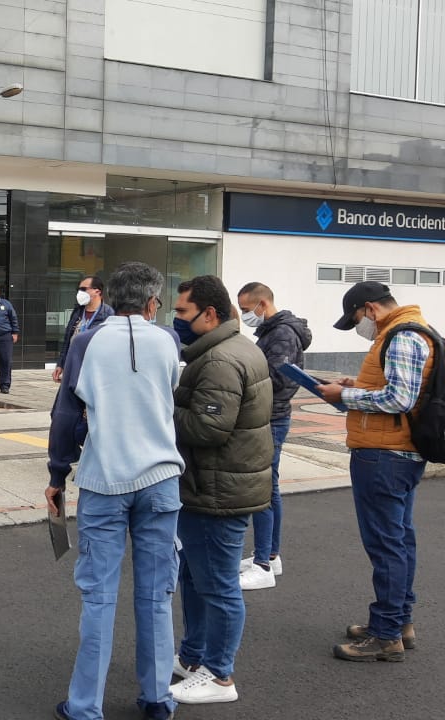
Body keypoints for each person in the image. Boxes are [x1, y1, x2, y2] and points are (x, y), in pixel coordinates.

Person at [44, 262, 184, 720]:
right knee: (157, 594)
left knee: (99, 597)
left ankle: (85, 705)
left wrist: (57, 473)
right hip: (161, 479)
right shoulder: (168, 340)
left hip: (104, 480)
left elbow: (66, 414)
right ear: (152, 302)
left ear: (109, 297)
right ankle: (157, 697)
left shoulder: (86, 341)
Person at [318, 281, 436, 663]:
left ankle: (386, 635)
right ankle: (399, 622)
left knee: (387, 546)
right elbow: (401, 388)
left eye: (355, 320)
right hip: (398, 452)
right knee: (399, 541)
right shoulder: (410, 331)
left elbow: (400, 398)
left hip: (384, 456)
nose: (358, 328)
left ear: (369, 309)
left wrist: (345, 395)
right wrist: (357, 384)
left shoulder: (401, 336)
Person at [169, 275, 272, 705]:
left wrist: (163, 407)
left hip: (217, 490)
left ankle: (219, 675)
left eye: (182, 311)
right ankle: (193, 657)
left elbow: (208, 427)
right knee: (196, 577)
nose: (176, 319)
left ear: (209, 314)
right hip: (213, 484)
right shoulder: (229, 349)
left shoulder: (220, 361)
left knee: (217, 585)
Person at [235, 282, 312, 591]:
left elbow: (277, 379)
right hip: (272, 415)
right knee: (270, 487)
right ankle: (269, 555)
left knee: (263, 489)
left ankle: (263, 565)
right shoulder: (274, 331)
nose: (245, 315)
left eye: (246, 309)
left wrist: (244, 378)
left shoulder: (281, 334)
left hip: (271, 416)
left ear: (263, 304)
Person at [53, 276, 113, 383]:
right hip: (72, 367)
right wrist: (60, 364)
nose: (80, 293)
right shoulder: (78, 311)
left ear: (97, 291)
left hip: (94, 371)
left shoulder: (109, 314)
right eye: (78, 289)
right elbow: (67, 340)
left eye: (83, 289)